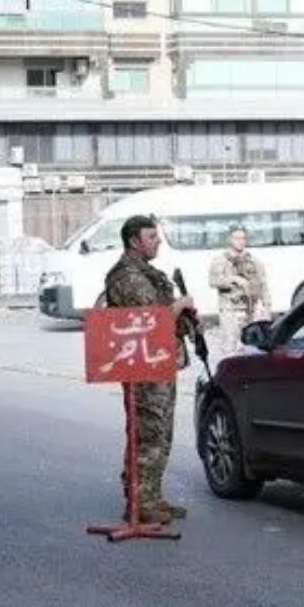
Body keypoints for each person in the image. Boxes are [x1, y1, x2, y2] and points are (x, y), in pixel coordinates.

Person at [103, 215, 197, 525]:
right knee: (148, 431)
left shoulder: (147, 273)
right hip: (141, 364)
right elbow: (152, 319)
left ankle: (152, 495)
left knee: (161, 431)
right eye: (151, 237)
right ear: (134, 241)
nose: (157, 243)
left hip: (157, 359)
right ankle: (140, 500)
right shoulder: (128, 277)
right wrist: (180, 305)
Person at [207, 225, 268, 359]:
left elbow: (263, 284)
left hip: (250, 310)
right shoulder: (221, 260)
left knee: (250, 347)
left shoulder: (253, 261)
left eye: (243, 238)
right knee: (231, 348)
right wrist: (233, 280)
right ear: (230, 240)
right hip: (230, 310)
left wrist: (266, 306)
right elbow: (213, 281)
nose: (241, 241)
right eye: (237, 238)